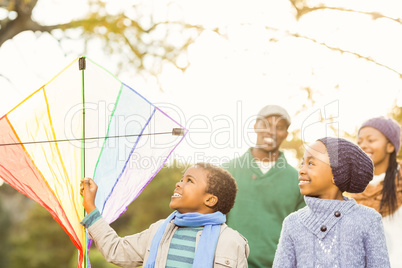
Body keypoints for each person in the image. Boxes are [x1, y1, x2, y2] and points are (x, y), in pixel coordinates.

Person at [80, 162, 249, 268]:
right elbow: (116, 250)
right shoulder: (158, 230)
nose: (179, 183)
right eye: (182, 179)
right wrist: (90, 207)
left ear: (210, 200)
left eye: (189, 181)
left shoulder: (232, 242)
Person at [273, 137, 390, 267]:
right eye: (302, 163)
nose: (301, 170)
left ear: (337, 174)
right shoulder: (292, 223)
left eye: (310, 163)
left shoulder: (368, 220)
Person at [222, 104, 305, 268]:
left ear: (286, 134)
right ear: (255, 127)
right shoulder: (227, 170)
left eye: (279, 127)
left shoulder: (298, 180)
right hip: (227, 263)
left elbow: (302, 235)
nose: (271, 131)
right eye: (265, 125)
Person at [351, 116, 402, 267]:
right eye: (359, 142)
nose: (363, 146)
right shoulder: (354, 189)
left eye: (371, 140)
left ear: (390, 146)